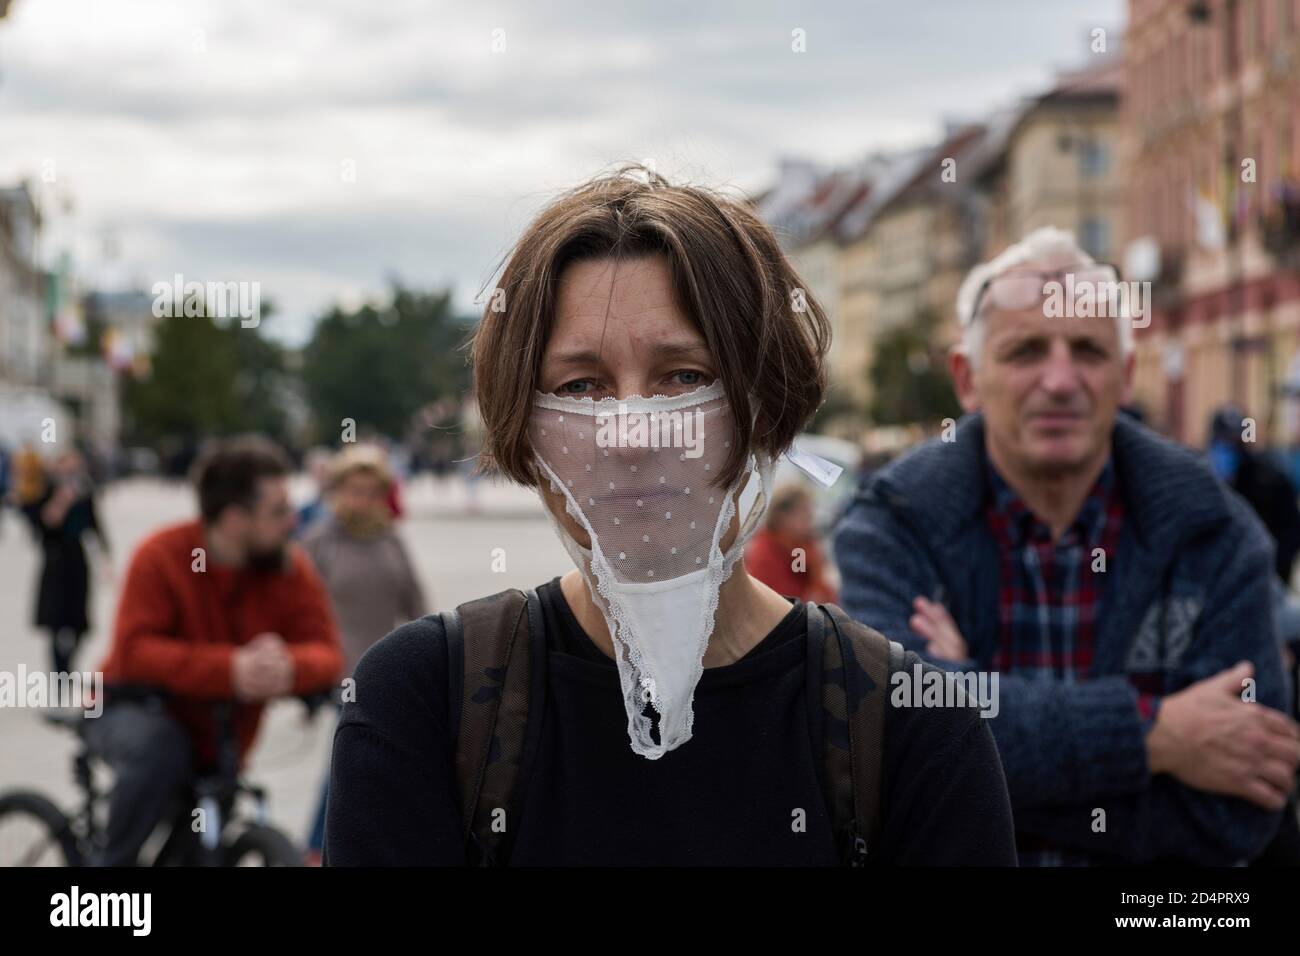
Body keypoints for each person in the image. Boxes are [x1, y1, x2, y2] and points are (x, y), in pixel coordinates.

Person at [325, 165, 1017, 867]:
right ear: (526, 428)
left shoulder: (911, 724)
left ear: (762, 404)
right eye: (581, 386)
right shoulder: (423, 704)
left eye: (684, 376)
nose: (632, 431)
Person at [834, 226, 1300, 866]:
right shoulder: (891, 527)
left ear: (1127, 374)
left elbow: (1238, 814)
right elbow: (882, 761)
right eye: (1026, 351)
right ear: (967, 379)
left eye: (1087, 350)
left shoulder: (1215, 532)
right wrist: (1154, 735)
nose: (1060, 380)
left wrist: (973, 710)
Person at [87, 436, 343, 866]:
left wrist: (288, 667)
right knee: (162, 749)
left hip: (221, 739)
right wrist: (231, 669)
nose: (293, 521)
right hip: (126, 711)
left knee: (200, 841)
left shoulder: (287, 567)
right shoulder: (163, 556)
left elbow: (327, 652)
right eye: (278, 511)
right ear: (234, 518)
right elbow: (134, 652)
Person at [301, 444, 427, 861]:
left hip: (383, 670)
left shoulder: (391, 539)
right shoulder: (320, 540)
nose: (362, 500)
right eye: (354, 490)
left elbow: (415, 603)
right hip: (337, 671)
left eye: (371, 491)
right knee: (346, 757)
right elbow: (294, 605)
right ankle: (317, 848)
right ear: (337, 491)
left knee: (372, 762)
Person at [21, 450, 110, 673]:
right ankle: (59, 671)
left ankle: (67, 666)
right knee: (55, 623)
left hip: (77, 561)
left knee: (79, 623)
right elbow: (43, 525)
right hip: (55, 561)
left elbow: (95, 525)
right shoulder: (47, 492)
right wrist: (62, 500)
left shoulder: (84, 494)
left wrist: (106, 557)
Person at [1207, 404, 1300, 586]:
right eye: (1222, 440)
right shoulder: (1201, 480)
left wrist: (1273, 568)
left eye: (1233, 441)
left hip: (1264, 582)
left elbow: (1292, 530)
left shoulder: (1269, 480)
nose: (1227, 448)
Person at [744, 484, 838, 603]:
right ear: (782, 516)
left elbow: (817, 587)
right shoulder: (764, 551)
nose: (809, 518)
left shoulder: (801, 545)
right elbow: (777, 597)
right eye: (803, 512)